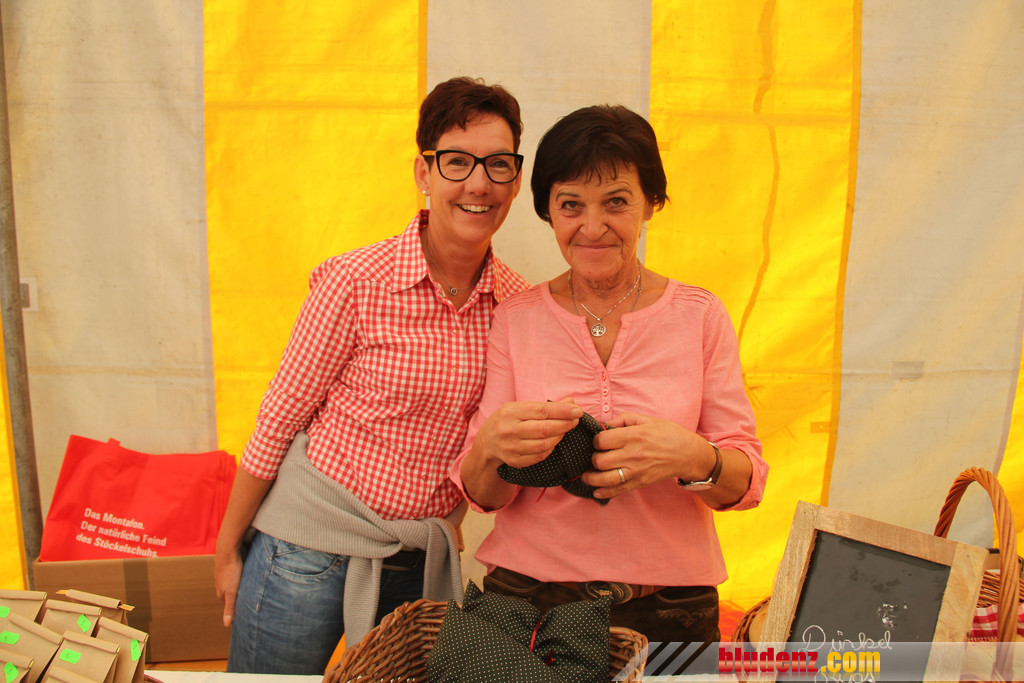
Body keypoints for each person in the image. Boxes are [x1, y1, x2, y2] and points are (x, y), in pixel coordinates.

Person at [214, 77, 548, 675]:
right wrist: (228, 547)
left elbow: (490, 452)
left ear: (516, 180)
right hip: (305, 552)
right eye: (457, 162)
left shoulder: (517, 307)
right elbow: (279, 418)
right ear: (424, 172)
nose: (478, 183)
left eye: (498, 164)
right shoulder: (356, 281)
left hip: (416, 564)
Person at [452, 104, 768, 651]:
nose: (592, 227)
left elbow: (746, 485)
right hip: (528, 607)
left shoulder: (699, 315)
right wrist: (489, 448)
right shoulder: (516, 318)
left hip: (672, 613)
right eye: (570, 204)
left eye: (617, 202)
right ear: (549, 211)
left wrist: (692, 456)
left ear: (651, 203)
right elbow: (485, 495)